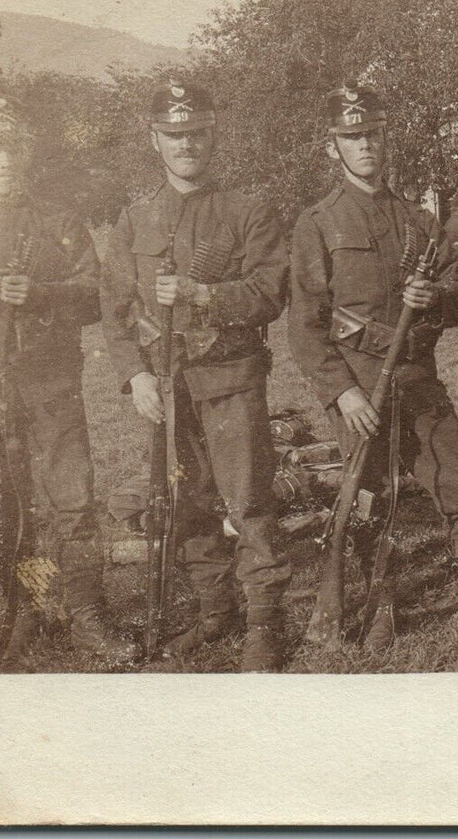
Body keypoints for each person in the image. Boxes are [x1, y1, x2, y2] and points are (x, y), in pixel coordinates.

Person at [288, 85, 458, 641]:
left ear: (385, 140)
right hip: (358, 383)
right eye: (352, 138)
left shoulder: (418, 221)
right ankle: (381, 606)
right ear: (333, 148)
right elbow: (304, 326)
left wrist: (437, 300)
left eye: (372, 135)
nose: (365, 146)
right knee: (370, 496)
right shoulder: (318, 223)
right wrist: (342, 393)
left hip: (416, 376)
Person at [101, 81, 291, 670]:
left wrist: (203, 293)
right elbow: (113, 312)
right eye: (175, 135)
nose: (187, 145)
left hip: (229, 377)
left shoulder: (248, 210)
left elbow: (270, 292)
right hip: (166, 386)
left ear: (214, 137)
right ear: (155, 140)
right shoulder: (134, 221)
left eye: (197, 134)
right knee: (184, 503)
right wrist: (135, 377)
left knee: (249, 501)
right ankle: (216, 611)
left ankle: (264, 621)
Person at [0, 94, 135, 666]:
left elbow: (96, 295)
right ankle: (5, 611)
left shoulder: (58, 220)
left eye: (13, 148)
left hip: (51, 380)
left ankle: (84, 613)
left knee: (72, 499)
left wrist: (42, 294)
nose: (4, 160)